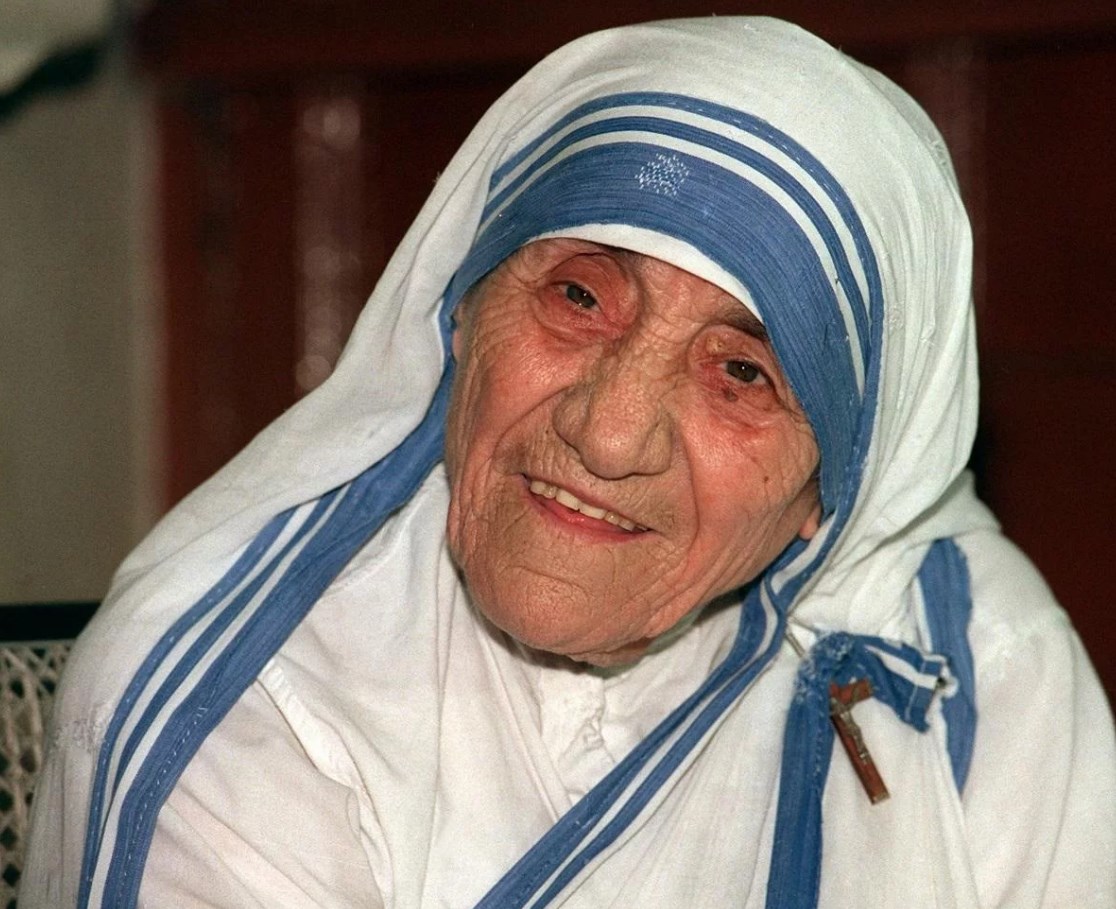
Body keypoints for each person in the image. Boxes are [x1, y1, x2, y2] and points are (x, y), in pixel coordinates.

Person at [21, 16, 1116, 909]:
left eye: (743, 373)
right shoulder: (246, 697)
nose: (608, 433)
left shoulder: (971, 659)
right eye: (580, 297)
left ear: (836, 490)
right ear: (462, 312)